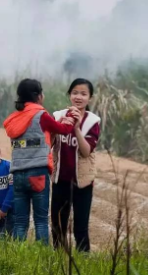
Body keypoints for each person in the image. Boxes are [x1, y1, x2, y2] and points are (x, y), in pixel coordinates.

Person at [3, 78, 78, 245]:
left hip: (17, 173)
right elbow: (63, 130)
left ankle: (17, 256)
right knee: (41, 220)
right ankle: (42, 257)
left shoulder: (14, 119)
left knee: (20, 221)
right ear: (38, 96)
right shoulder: (41, 116)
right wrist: (72, 116)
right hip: (38, 173)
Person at [51, 78, 101, 253]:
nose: (78, 97)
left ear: (90, 98)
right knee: (58, 225)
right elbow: (49, 143)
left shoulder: (92, 121)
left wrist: (77, 128)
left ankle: (83, 263)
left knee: (80, 227)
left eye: (83, 93)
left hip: (82, 182)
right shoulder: (58, 115)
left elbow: (86, 151)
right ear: (69, 95)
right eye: (75, 93)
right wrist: (58, 127)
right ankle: (57, 260)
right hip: (60, 180)